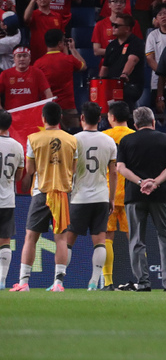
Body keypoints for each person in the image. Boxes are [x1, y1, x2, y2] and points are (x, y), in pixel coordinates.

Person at [11, 102, 79, 292]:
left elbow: (30, 170)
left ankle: (24, 283)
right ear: (61, 118)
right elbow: (73, 169)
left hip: (41, 192)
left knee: (31, 237)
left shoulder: (33, 138)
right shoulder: (72, 140)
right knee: (62, 239)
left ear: (43, 118)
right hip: (63, 193)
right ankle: (58, 284)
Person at [115, 106, 166, 292]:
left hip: (134, 196)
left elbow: (120, 168)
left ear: (135, 124)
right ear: (152, 122)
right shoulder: (165, 139)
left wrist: (141, 182)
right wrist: (155, 182)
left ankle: (143, 283)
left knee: (136, 240)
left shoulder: (126, 140)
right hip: (161, 196)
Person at [67, 102, 117, 291]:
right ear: (99, 119)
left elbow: (70, 170)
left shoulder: (74, 140)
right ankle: (94, 281)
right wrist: (111, 198)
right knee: (100, 240)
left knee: (68, 240)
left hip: (79, 197)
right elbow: (113, 173)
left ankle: (59, 279)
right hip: (101, 196)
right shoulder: (109, 141)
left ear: (82, 118)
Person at [102, 101, 134, 291]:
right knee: (135, 239)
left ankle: (107, 282)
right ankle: (141, 280)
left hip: (108, 194)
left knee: (107, 237)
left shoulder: (104, 137)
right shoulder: (135, 137)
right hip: (131, 194)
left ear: (111, 117)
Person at [99, 13, 146, 109]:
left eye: (117, 26)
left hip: (130, 85)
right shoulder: (111, 46)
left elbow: (132, 60)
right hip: (112, 86)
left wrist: (124, 75)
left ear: (127, 29)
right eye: (113, 25)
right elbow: (105, 68)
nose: (113, 27)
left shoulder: (136, 43)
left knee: (124, 94)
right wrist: (99, 83)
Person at [0, 110, 23, 289]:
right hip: (7, 199)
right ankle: (2, 280)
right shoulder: (17, 146)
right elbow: (19, 175)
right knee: (5, 241)